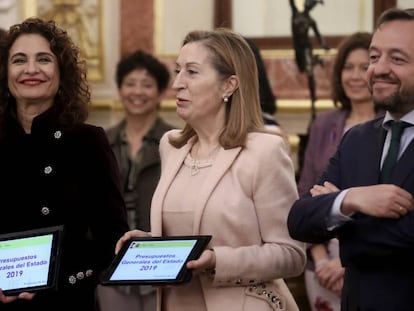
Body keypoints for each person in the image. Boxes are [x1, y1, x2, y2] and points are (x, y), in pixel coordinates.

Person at [115, 28, 306, 311]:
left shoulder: (265, 151)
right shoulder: (172, 146)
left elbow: (291, 255)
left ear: (229, 85)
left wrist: (218, 260)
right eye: (178, 70)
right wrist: (151, 246)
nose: (178, 83)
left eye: (192, 72)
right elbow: (189, 233)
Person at [288, 8, 414, 310]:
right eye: (374, 57)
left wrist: (340, 225)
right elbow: (299, 219)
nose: (378, 69)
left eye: (397, 59)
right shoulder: (356, 139)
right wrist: (350, 200)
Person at [0, 17, 129, 310]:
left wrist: (63, 276)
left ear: (61, 73)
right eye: (19, 60)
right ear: (5, 73)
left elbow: (112, 239)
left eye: (44, 59)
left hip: (67, 302)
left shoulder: (88, 142)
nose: (31, 69)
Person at [297, 31, 384, 311]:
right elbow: (306, 194)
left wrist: (345, 263)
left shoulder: (394, 127)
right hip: (320, 267)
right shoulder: (324, 124)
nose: (356, 76)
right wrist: (322, 260)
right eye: (348, 67)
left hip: (372, 265)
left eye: (364, 66)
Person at [96, 50, 174, 311]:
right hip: (112, 263)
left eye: (147, 85)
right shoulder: (103, 140)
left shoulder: (176, 142)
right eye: (130, 84)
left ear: (161, 92)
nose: (137, 92)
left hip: (161, 264)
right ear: (119, 90)